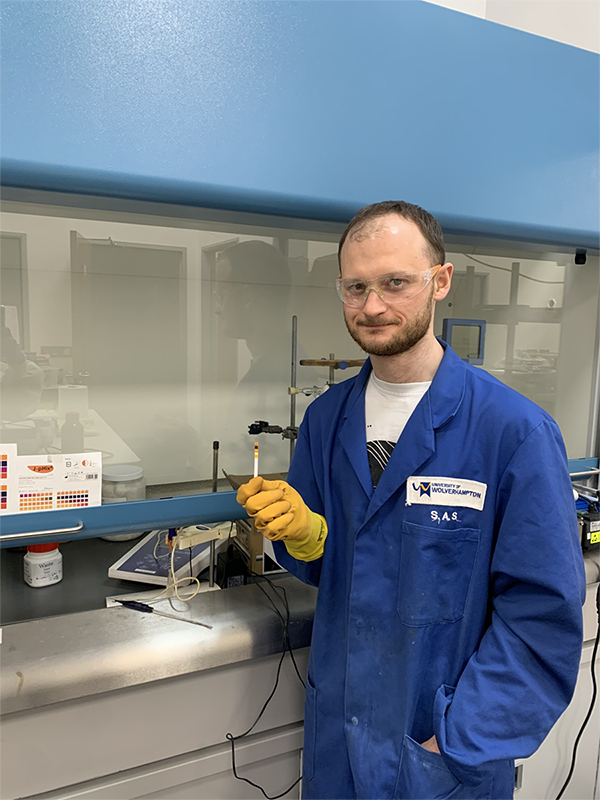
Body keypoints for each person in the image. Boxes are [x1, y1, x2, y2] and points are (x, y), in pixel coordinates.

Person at [236, 201, 585, 800]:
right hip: (339, 743)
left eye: (396, 282)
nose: (373, 306)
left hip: (441, 754)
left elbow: (541, 617)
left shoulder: (513, 431)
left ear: (440, 282)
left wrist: (458, 738)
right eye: (356, 287)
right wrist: (301, 536)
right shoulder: (326, 419)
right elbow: (327, 564)